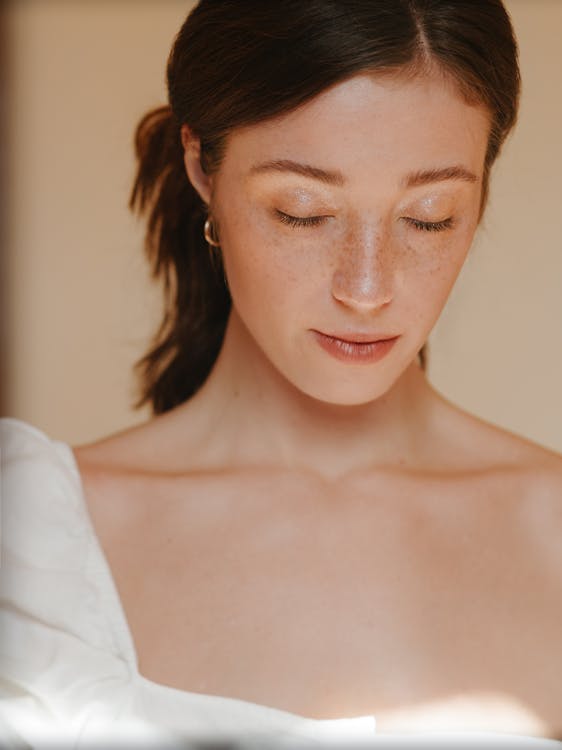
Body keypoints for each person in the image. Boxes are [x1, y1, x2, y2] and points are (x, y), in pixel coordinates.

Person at [1, 0, 561, 746]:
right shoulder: (32, 542)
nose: (366, 289)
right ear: (203, 165)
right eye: (302, 212)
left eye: (429, 217)